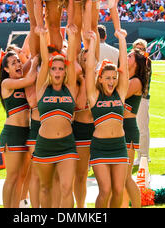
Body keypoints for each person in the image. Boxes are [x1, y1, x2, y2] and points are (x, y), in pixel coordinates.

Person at [32, 27, 78, 208]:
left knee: (67, 187)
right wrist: (43, 37)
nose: (57, 71)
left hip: (67, 144)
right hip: (44, 144)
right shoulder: (42, 88)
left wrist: (73, 38)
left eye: (61, 68)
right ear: (50, 71)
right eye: (54, 69)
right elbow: (44, 62)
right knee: (45, 187)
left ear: (65, 72)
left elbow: (72, 60)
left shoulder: (71, 88)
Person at [85, 29, 129, 208]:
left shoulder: (120, 94)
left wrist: (123, 40)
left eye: (114, 78)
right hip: (100, 147)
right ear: (100, 79)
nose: (111, 81)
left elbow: (124, 67)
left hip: (119, 145)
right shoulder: (94, 96)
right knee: (105, 190)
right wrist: (93, 42)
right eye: (107, 78)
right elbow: (89, 69)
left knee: (119, 189)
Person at [0, 50, 38, 208]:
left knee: (23, 176)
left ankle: (19, 206)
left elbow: (30, 61)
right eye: (13, 63)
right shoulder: (7, 83)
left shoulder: (21, 78)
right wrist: (34, 62)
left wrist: (34, 57)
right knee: (12, 177)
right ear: (6, 69)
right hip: (12, 133)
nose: (18, 65)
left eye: (18, 61)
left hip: (26, 133)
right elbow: (31, 77)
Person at [122, 47, 151, 208]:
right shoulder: (129, 78)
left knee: (126, 177)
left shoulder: (135, 82)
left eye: (130, 56)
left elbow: (118, 94)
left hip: (127, 129)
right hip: (121, 129)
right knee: (121, 178)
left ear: (137, 64)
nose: (126, 56)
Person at [72, 47, 95, 208]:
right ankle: (81, 207)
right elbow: (80, 104)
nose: (88, 63)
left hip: (100, 130)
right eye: (84, 60)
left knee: (104, 174)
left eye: (90, 60)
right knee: (81, 174)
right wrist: (86, 78)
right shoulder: (77, 80)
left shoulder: (102, 77)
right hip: (81, 130)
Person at [132, 38, 152, 165]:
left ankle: (144, 155)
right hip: (132, 97)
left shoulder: (147, 62)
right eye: (137, 48)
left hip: (142, 98)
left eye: (142, 49)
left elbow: (145, 80)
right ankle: (139, 154)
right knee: (135, 128)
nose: (140, 51)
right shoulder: (131, 61)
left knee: (143, 128)